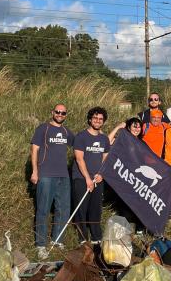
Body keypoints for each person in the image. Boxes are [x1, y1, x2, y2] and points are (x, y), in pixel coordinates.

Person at [29, 104, 75, 258]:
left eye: (63, 113)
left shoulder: (66, 131)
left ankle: (57, 240)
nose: (60, 114)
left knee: (63, 209)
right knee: (43, 209)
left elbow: (80, 144)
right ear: (52, 112)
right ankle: (40, 245)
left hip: (63, 176)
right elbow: (34, 149)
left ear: (66, 115)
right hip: (46, 175)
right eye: (57, 112)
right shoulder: (43, 128)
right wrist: (35, 171)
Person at [71, 107, 110, 244]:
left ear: (103, 121)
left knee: (95, 208)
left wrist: (101, 174)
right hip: (82, 178)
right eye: (95, 118)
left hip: (97, 179)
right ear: (89, 119)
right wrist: (87, 178)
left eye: (100, 119)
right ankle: (82, 238)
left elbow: (105, 159)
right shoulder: (81, 137)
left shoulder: (104, 139)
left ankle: (96, 237)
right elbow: (79, 159)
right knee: (81, 209)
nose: (97, 121)